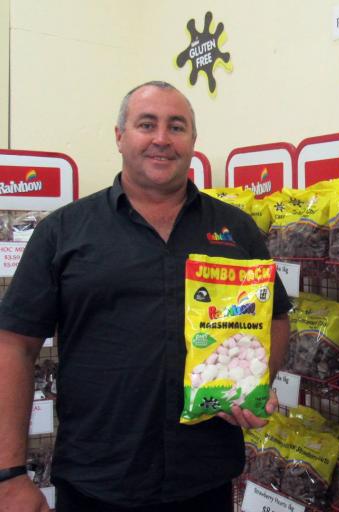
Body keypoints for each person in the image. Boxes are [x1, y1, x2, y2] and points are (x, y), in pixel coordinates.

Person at [0, 81, 292, 512]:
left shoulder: (235, 229)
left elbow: (275, 318)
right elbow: (15, 346)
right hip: (95, 479)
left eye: (177, 127)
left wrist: (252, 382)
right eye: (146, 124)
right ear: (120, 136)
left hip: (205, 477)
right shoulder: (63, 232)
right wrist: (9, 475)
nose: (161, 139)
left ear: (193, 141)